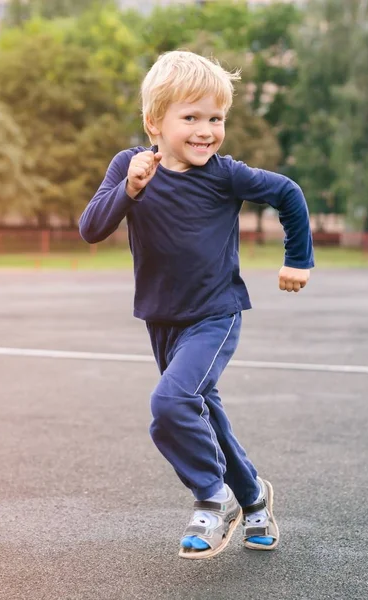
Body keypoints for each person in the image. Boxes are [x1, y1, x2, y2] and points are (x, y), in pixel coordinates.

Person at [79, 50, 314, 560]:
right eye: (191, 118)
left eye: (216, 118)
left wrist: (298, 258)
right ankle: (253, 499)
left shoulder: (226, 174)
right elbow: (91, 227)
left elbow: (288, 193)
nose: (206, 130)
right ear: (154, 123)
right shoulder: (130, 166)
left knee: (170, 403)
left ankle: (213, 497)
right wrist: (129, 188)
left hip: (215, 313)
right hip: (162, 317)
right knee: (200, 410)